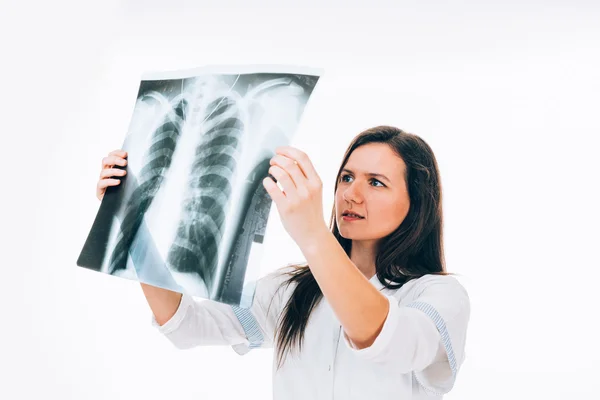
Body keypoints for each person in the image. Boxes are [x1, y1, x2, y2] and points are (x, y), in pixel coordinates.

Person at [96, 125, 470, 399]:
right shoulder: (292, 290)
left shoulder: (438, 296)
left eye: (376, 183)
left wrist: (312, 235)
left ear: (416, 203)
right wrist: (133, 222)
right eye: (347, 177)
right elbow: (187, 325)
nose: (351, 195)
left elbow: (389, 340)